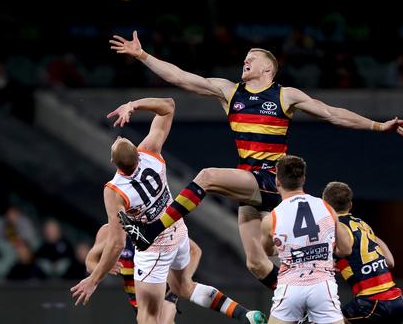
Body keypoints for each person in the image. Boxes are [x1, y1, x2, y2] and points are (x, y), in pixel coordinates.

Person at [111, 31, 403, 290]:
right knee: (256, 262)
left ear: (268, 68)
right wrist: (142, 55)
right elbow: (181, 78)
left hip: (271, 178)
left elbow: (332, 113)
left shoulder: (285, 95)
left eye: (251, 58)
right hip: (250, 185)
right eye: (245, 57)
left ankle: (151, 231)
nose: (245, 60)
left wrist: (377, 125)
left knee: (207, 176)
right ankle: (294, 298)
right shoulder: (230, 92)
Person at [70, 98, 266, 324]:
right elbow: (169, 105)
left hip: (154, 248)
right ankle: (245, 314)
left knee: (147, 317)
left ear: (113, 163)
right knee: (183, 287)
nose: (118, 136)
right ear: (136, 150)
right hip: (177, 230)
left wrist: (93, 280)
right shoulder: (150, 152)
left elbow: (116, 242)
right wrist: (133, 105)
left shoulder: (115, 191)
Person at [86, 223, 264, 323]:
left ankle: (243, 314)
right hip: (138, 299)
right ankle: (246, 315)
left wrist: (182, 280)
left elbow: (195, 251)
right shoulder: (109, 232)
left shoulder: (157, 229)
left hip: (163, 292)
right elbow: (90, 262)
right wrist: (103, 267)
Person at [260, 155, 352, 324]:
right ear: (303, 179)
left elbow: (267, 251)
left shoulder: (271, 219)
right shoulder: (327, 208)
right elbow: (346, 249)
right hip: (322, 286)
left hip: (290, 288)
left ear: (277, 181)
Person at [322, 181, 403, 323]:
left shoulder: (335, 229)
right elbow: (390, 262)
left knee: (326, 318)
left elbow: (344, 250)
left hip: (372, 304)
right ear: (350, 205)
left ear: (325, 206)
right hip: (397, 302)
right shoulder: (362, 225)